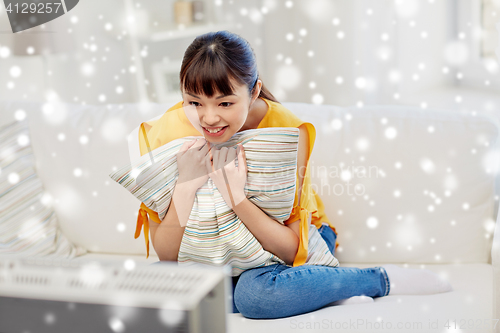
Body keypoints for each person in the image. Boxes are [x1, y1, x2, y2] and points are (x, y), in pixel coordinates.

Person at [135, 30, 453, 319]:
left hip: (292, 245)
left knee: (254, 295)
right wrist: (186, 187)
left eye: (226, 102)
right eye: (194, 102)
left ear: (255, 91)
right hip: (215, 251)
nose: (209, 117)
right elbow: (167, 256)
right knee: (150, 287)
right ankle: (319, 291)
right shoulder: (166, 133)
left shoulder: (287, 130)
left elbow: (290, 248)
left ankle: (377, 279)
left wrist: (237, 198)